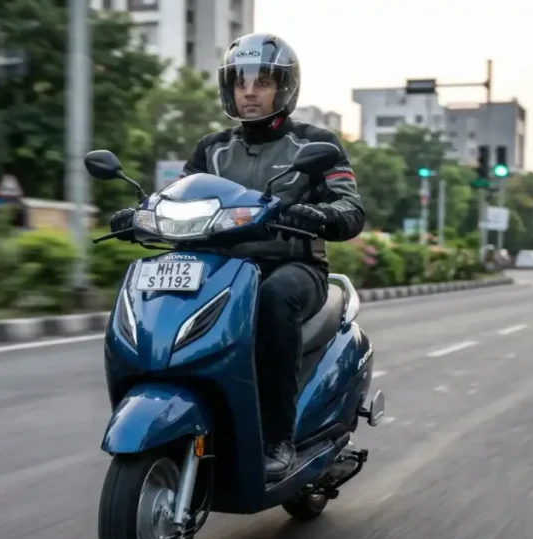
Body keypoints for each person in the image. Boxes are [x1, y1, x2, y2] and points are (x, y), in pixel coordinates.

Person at [108, 33, 365, 480]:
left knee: (274, 299)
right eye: (241, 81)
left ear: (284, 88)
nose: (250, 91)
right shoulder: (212, 148)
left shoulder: (316, 144)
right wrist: (140, 214)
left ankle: (278, 437)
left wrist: (316, 214)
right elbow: (177, 195)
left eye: (263, 81)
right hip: (219, 269)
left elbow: (350, 208)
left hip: (292, 267)